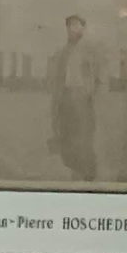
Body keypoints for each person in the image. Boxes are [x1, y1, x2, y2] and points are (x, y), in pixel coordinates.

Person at [47, 14, 102, 179]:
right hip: (65, 97)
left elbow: (99, 75)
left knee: (84, 136)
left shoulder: (90, 50)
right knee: (67, 134)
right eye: (70, 26)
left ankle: (88, 174)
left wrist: (89, 92)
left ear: (83, 29)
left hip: (82, 99)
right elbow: (56, 78)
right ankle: (75, 171)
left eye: (77, 25)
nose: (73, 29)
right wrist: (57, 100)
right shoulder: (62, 52)